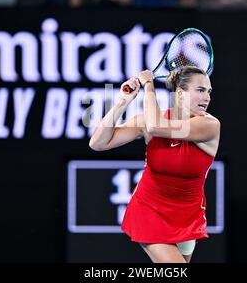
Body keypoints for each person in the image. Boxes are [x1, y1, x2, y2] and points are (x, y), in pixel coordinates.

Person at [89, 66, 221, 263]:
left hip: (188, 215)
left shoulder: (209, 125)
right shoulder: (147, 122)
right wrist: (122, 103)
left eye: (209, 92)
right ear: (180, 94)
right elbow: (98, 143)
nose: (207, 98)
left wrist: (148, 85)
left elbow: (156, 127)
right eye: (200, 90)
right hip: (150, 210)